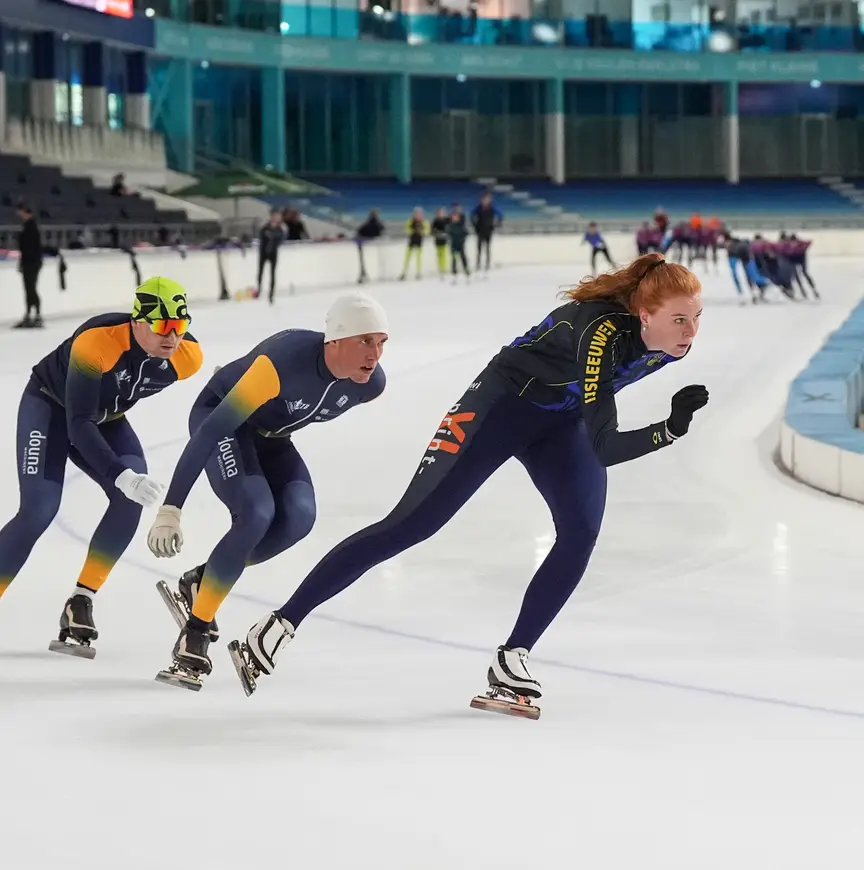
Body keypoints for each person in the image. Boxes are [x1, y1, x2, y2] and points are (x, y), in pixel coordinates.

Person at [230, 253, 709, 719]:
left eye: (697, 318)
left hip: (561, 423)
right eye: (681, 320)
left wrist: (662, 424)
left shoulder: (667, 344)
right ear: (644, 315)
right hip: (500, 406)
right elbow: (606, 447)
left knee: (581, 531)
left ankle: (513, 657)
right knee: (411, 524)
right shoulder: (602, 333)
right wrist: (668, 429)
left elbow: (594, 428)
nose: (691, 332)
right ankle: (279, 624)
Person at [147, 292, 389, 691]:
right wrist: (171, 508)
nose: (375, 354)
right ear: (335, 340)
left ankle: (201, 582)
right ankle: (195, 629)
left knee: (298, 518)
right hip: (222, 420)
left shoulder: (370, 385)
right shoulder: (282, 364)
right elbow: (210, 432)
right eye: (365, 341)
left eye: (381, 342)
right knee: (256, 513)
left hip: (271, 436)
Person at [0, 277, 201, 657]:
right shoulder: (97, 341)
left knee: (130, 502)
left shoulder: (186, 358)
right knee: (38, 510)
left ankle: (81, 600)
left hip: (105, 418)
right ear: (137, 322)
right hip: (52, 408)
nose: (173, 336)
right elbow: (78, 424)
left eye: (181, 325)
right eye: (163, 326)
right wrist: (120, 474)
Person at [16, 204, 43, 329]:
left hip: (31, 263)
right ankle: (29, 314)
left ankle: (36, 315)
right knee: (28, 289)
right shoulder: (28, 226)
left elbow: (30, 248)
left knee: (31, 289)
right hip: (29, 262)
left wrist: (25, 262)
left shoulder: (31, 227)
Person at [256, 210, 285, 304]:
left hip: (273, 252)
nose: (277, 218)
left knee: (272, 273)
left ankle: (271, 294)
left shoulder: (279, 229)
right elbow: (261, 237)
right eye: (276, 216)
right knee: (260, 272)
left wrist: (274, 238)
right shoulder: (265, 228)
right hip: (263, 252)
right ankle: (259, 290)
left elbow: (281, 239)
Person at [471, 192, 502, 276]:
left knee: (487, 248)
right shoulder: (478, 208)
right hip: (480, 230)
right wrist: (475, 225)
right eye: (484, 199)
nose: (485, 201)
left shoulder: (492, 208)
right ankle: (478, 264)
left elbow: (500, 215)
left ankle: (487, 264)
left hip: (488, 230)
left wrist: (496, 225)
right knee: (479, 249)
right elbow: (472, 214)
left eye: (487, 199)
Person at [356, 208, 385, 284]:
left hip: (365, 242)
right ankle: (363, 274)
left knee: (363, 259)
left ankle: (363, 274)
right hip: (367, 242)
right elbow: (381, 230)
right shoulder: (376, 223)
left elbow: (360, 230)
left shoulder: (372, 223)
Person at [399, 207, 429, 281]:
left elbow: (427, 230)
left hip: (419, 241)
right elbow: (406, 229)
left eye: (419, 213)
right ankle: (404, 272)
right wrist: (412, 231)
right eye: (416, 213)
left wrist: (422, 232)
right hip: (411, 241)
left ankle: (418, 272)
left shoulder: (424, 222)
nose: (418, 215)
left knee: (419, 258)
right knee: (407, 258)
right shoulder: (410, 221)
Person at [447, 203, 470, 284]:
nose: (456, 209)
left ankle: (466, 270)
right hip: (453, 239)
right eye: (455, 208)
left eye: (458, 208)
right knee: (453, 257)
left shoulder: (462, 217)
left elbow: (463, 227)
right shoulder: (450, 217)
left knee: (462, 255)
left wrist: (464, 236)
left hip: (460, 239)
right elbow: (448, 228)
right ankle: (454, 272)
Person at [430, 207, 450, 280]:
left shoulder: (447, 220)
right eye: (439, 213)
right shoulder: (435, 221)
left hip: (444, 240)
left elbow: (450, 228)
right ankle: (440, 268)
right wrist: (437, 233)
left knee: (444, 254)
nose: (440, 214)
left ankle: (443, 268)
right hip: (438, 240)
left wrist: (446, 234)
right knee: (439, 255)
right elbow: (431, 231)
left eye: (442, 213)